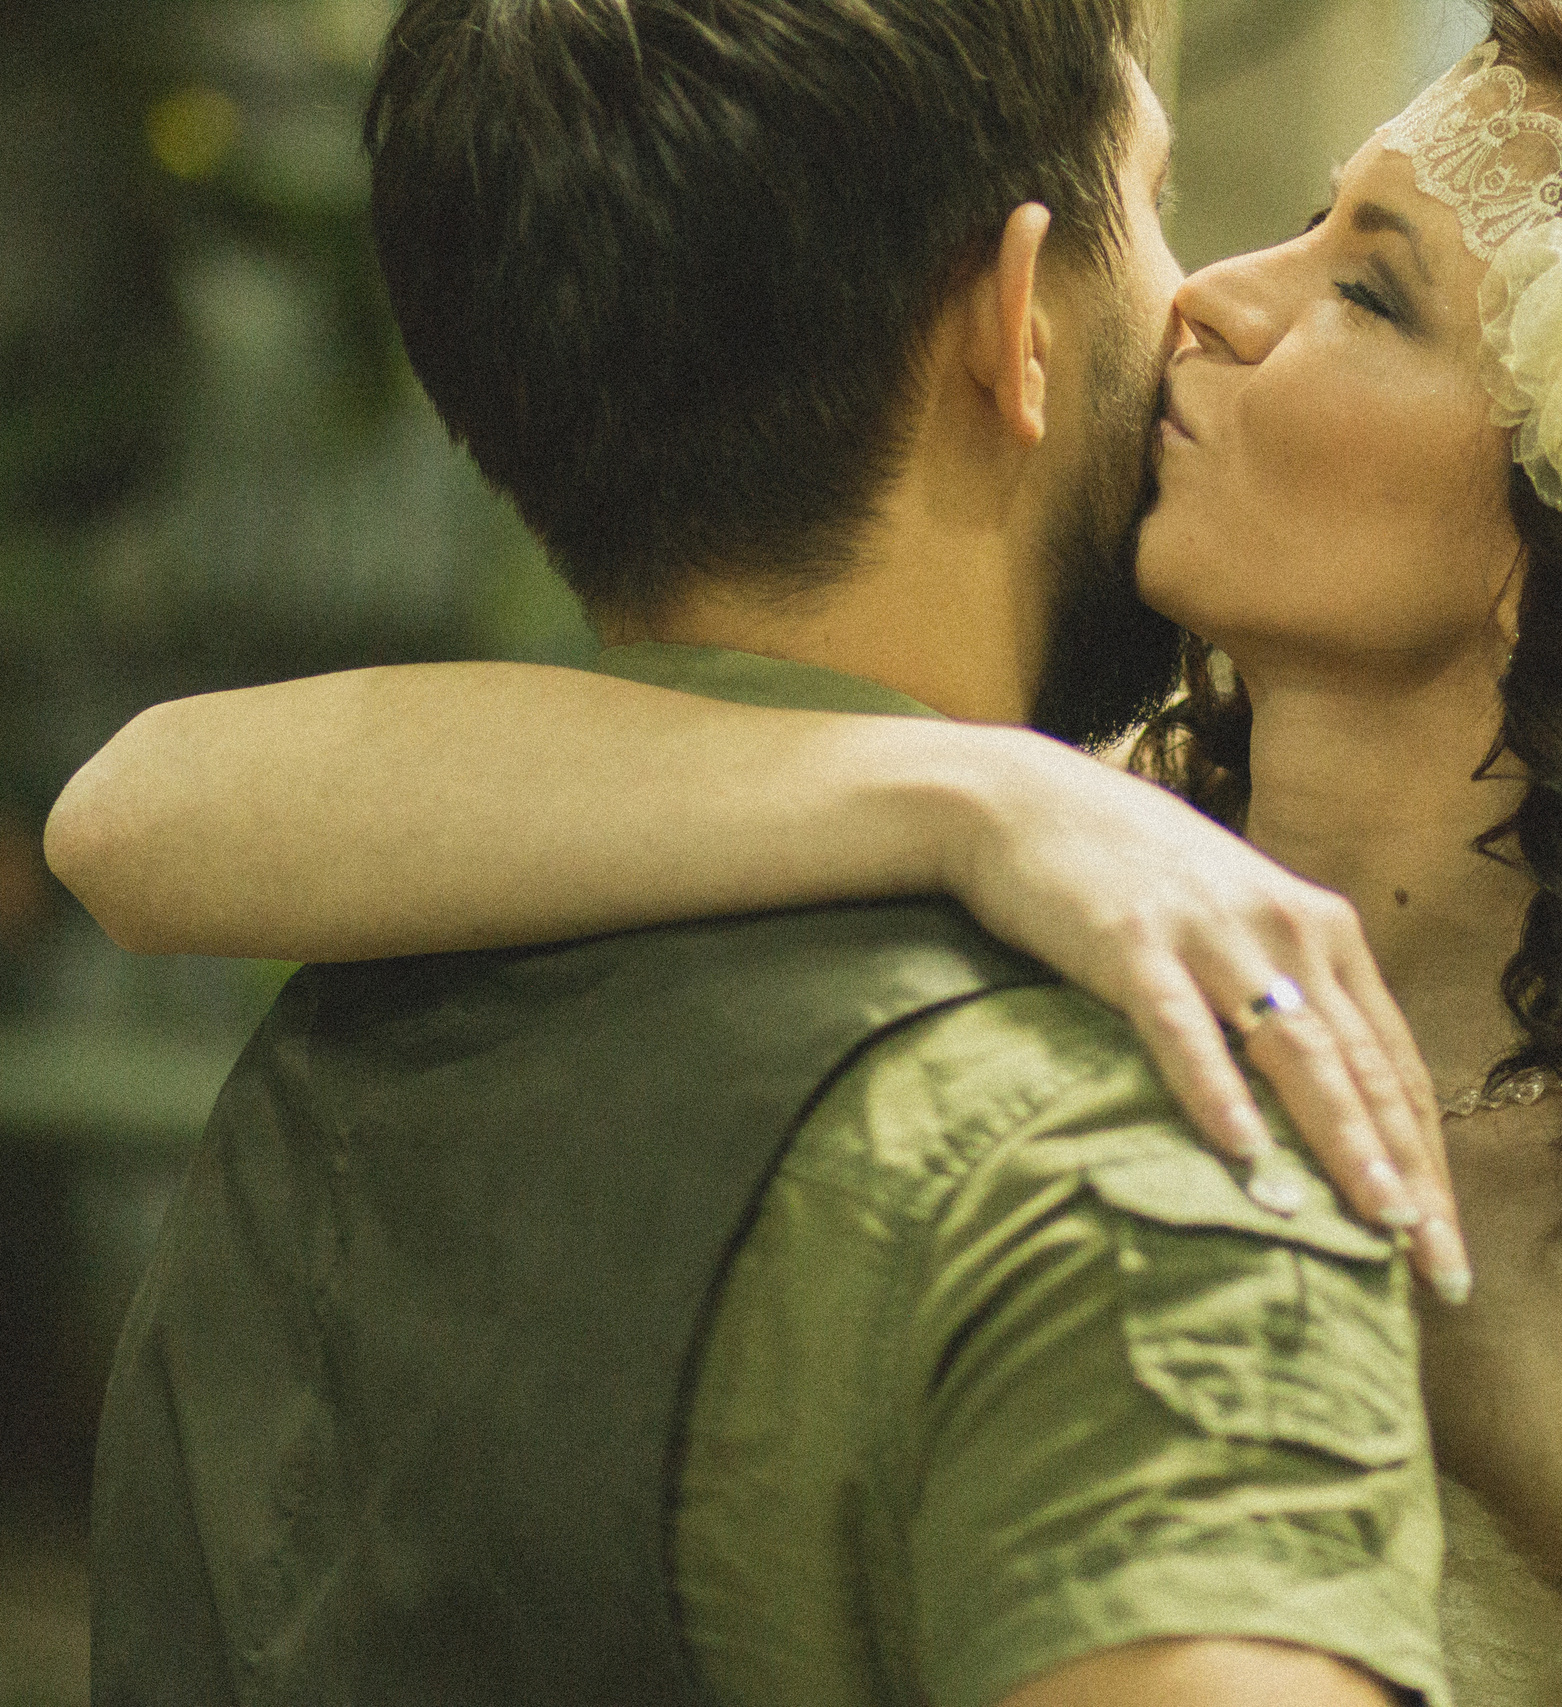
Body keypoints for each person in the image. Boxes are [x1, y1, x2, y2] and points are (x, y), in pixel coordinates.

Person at [56, 0, 1562, 1701]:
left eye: (1368, 291)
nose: (1215, 297)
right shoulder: (1072, 826)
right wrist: (981, 799)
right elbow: (140, 816)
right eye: (1296, 223)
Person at [75, 5, 1461, 1707]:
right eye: (1153, 201)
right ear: (1015, 320)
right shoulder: (1128, 1179)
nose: (1210, 304)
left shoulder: (335, 1021)